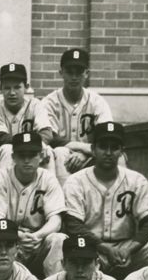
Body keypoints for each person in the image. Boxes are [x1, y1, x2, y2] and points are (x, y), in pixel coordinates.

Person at [62, 121, 148, 280]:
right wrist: (105, 248)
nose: (108, 152)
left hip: (128, 248)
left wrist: (131, 248)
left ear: (122, 152)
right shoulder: (76, 181)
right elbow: (73, 225)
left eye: (114, 147)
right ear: (93, 149)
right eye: (103, 146)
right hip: (89, 249)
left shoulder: (136, 180)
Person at [0, 132, 68, 278]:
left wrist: (37, 236)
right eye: (21, 155)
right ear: (13, 157)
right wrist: (18, 236)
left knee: (58, 239)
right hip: (8, 244)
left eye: (32, 155)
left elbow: (56, 220)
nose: (26, 160)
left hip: (38, 244)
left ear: (41, 156)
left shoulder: (48, 179)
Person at [36, 49, 113, 182]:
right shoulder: (49, 102)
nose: (74, 77)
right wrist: (84, 148)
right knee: (60, 152)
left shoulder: (97, 101)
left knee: (117, 156)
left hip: (91, 158)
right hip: (59, 160)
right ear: (61, 73)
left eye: (79, 72)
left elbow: (107, 136)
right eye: (69, 72)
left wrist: (84, 154)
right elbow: (51, 139)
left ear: (87, 74)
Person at [0, 63, 53, 171]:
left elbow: (46, 132)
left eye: (17, 87)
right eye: (7, 88)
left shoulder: (35, 104)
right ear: (0, 88)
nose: (12, 93)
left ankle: (47, 187)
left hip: (31, 151)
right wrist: (31, 145)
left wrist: (40, 145)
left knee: (46, 150)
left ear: (26, 87)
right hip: (4, 155)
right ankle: (3, 187)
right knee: (8, 149)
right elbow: (0, 138)